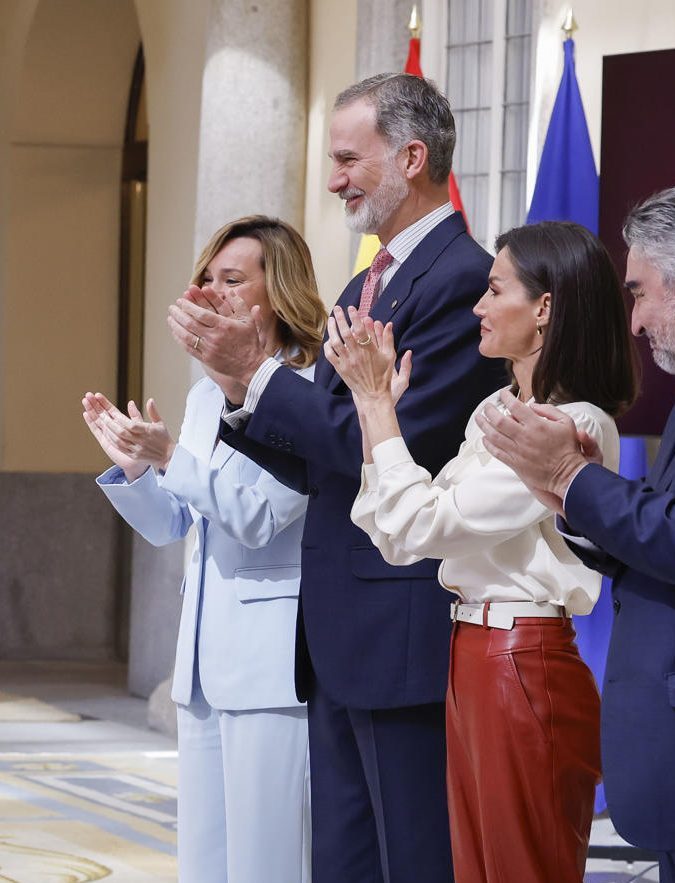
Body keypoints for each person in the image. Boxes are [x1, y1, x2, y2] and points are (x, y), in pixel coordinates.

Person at [166, 73, 504, 883]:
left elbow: (382, 446)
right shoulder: (363, 286)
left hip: (397, 622)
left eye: (348, 159)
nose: (333, 179)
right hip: (335, 632)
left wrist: (254, 370)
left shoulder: (459, 280)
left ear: (411, 157)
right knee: (344, 864)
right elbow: (320, 447)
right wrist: (237, 393)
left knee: (409, 859)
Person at [325, 220, 638, 883]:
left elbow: (422, 525)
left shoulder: (569, 424)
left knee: (522, 868)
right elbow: (394, 531)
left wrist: (378, 408)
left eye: (495, 289)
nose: (477, 305)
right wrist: (372, 413)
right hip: (473, 653)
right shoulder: (497, 405)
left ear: (544, 307)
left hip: (523, 660)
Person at [82, 216, 327, 883]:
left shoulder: (306, 394)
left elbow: (258, 517)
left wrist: (169, 457)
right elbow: (174, 523)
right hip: (200, 668)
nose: (212, 291)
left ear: (275, 293)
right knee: (206, 864)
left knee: (268, 863)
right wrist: (138, 467)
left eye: (232, 279)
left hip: (271, 668)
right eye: (206, 278)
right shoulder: (198, 398)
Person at [477, 189, 675, 883]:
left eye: (642, 293)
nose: (635, 319)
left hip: (521, 664)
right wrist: (570, 491)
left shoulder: (573, 414)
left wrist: (570, 474)